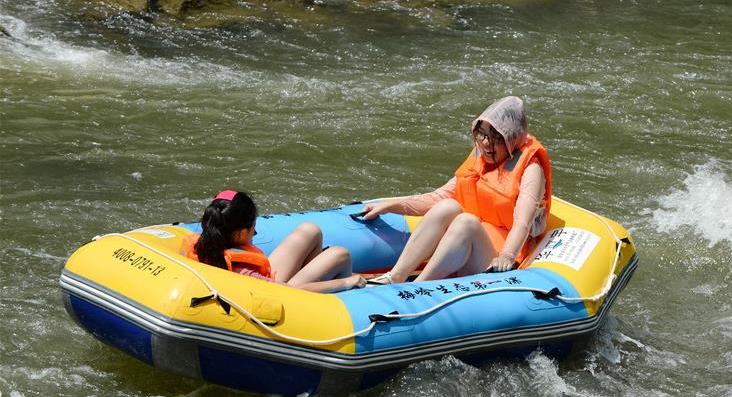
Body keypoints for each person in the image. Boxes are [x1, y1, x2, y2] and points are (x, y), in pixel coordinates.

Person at [362, 96, 551, 283]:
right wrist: (390, 205)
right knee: (447, 206)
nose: (485, 143)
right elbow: (439, 196)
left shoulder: (531, 169)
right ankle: (396, 277)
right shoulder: (481, 155)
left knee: (465, 221)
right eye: (482, 134)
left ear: (512, 138)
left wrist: (507, 256)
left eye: (495, 137)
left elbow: (522, 223)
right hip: (465, 247)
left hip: (498, 262)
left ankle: (417, 286)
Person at [182, 190, 364, 292]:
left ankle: (315, 275)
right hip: (283, 296)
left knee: (310, 230)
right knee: (340, 255)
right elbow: (288, 293)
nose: (255, 232)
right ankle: (340, 292)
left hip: (274, 284)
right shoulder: (243, 272)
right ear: (239, 234)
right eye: (253, 226)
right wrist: (346, 282)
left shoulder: (206, 245)